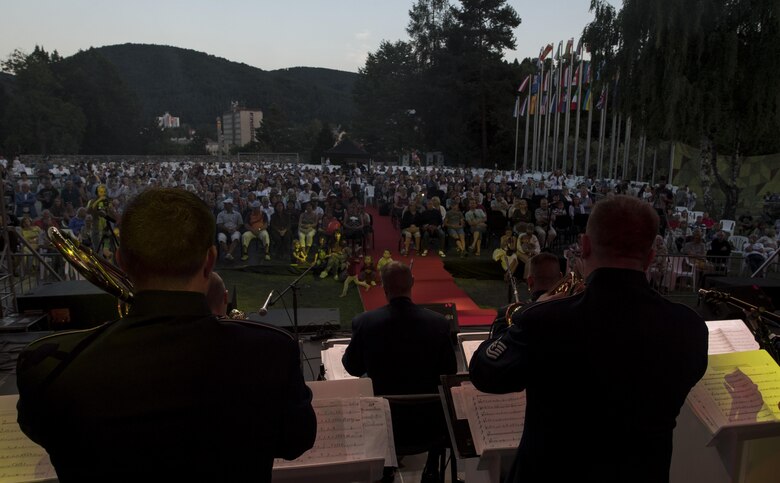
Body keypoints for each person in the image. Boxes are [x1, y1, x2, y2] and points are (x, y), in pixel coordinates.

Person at [16, 188, 317, 482]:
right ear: (210, 261)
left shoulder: (49, 364)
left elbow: (40, 430)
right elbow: (296, 441)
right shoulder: (271, 352)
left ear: (121, 260)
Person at [469, 195, 708, 483]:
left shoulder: (545, 320)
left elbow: (485, 373)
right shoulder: (689, 327)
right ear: (650, 256)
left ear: (584, 246)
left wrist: (520, 314)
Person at [342, 261, 457, 482]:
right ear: (412, 283)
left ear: (383, 288)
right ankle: (432, 469)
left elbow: (352, 367)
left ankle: (384, 473)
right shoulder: (439, 324)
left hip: (384, 426)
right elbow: (449, 372)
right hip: (430, 426)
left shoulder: (365, 322)